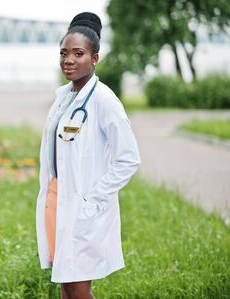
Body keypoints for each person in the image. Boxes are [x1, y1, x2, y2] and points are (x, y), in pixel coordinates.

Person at [35, 12, 141, 299]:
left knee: (79, 287)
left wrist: (94, 197)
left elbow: (129, 158)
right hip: (57, 199)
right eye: (63, 53)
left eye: (78, 54)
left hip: (82, 204)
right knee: (65, 283)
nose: (68, 60)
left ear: (94, 58)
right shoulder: (65, 97)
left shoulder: (104, 100)